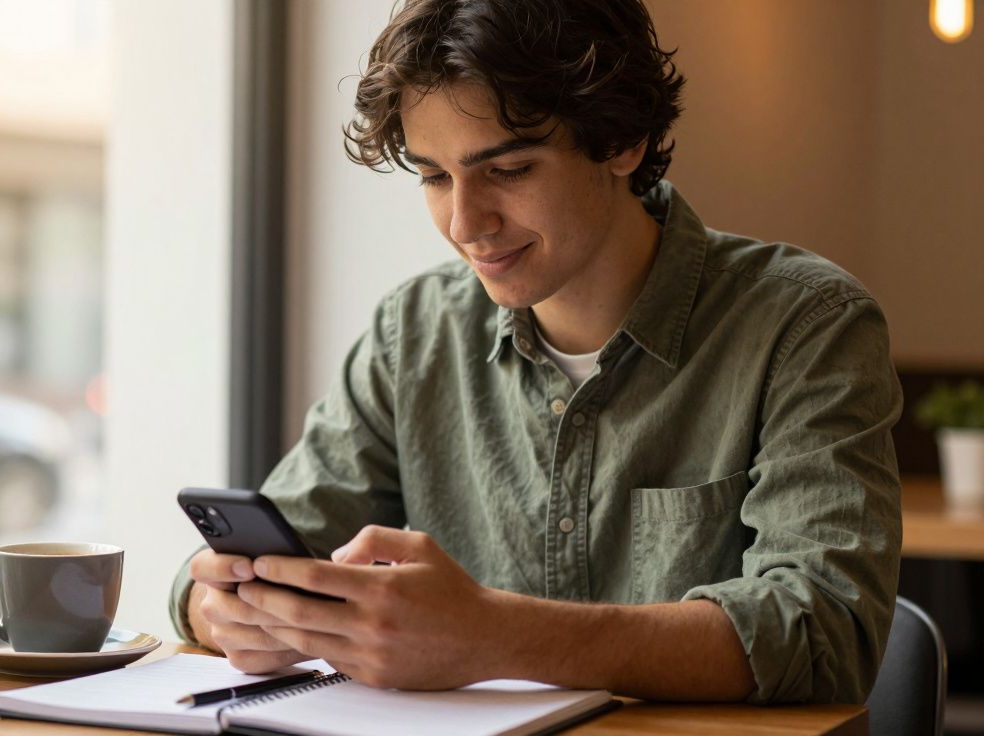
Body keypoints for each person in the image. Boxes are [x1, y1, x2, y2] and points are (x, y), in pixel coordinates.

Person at [170, 0, 902, 705]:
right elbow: (230, 571)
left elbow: (825, 629)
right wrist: (228, 610)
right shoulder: (414, 332)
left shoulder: (805, 323)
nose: (465, 222)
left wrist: (493, 635)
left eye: (509, 170)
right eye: (433, 176)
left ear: (622, 141)